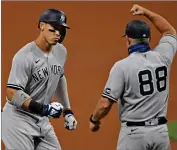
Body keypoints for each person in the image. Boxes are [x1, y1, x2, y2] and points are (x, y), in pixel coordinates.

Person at [89, 4, 176, 150]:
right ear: (148, 39)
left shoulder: (122, 66)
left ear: (128, 40)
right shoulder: (163, 57)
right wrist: (146, 12)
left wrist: (94, 120)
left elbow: (105, 104)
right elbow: (170, 31)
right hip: (160, 133)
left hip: (134, 136)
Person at [2, 8, 77, 150]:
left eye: (61, 30)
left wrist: (67, 111)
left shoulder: (61, 51)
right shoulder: (24, 56)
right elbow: (12, 92)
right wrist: (43, 108)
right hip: (17, 120)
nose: (57, 34)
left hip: (41, 120)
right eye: (53, 29)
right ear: (42, 26)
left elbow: (60, 78)